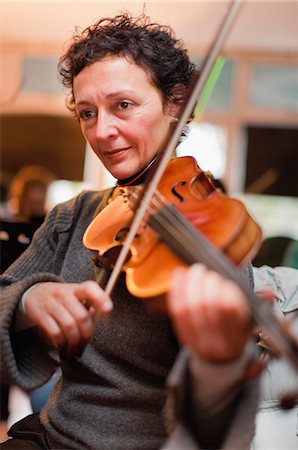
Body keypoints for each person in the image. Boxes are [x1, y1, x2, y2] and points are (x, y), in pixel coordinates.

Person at [0, 13, 268, 450]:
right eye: (88, 113)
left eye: (123, 105)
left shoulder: (209, 233)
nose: (102, 132)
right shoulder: (73, 216)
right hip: (50, 438)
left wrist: (218, 365)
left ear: (175, 103)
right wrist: (28, 301)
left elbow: (215, 431)